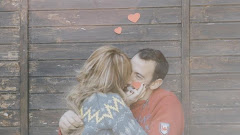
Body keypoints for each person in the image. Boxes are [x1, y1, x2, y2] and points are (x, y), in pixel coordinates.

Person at [59, 48, 185, 135]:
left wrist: (120, 105)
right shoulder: (110, 98)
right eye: (128, 70)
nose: (128, 79)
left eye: (138, 76)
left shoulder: (166, 102)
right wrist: (66, 125)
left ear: (154, 83)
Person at [62, 45, 147, 135]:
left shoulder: (85, 101)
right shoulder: (112, 103)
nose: (130, 81)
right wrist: (122, 104)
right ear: (118, 78)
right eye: (127, 74)